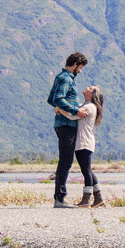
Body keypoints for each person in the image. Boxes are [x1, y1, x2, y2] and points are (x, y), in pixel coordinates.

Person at [47, 52, 88, 208]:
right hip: (66, 124)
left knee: (65, 160)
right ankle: (60, 198)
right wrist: (75, 111)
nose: (81, 71)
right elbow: (58, 98)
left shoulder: (61, 77)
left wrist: (58, 108)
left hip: (62, 123)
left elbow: (51, 99)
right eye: (81, 67)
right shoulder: (65, 78)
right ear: (76, 64)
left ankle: (60, 197)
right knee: (65, 161)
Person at [57, 86, 104, 207]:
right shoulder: (84, 105)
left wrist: (59, 109)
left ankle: (86, 200)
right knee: (87, 169)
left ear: (92, 94)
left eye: (90, 88)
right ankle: (98, 198)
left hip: (84, 142)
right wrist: (62, 108)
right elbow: (72, 109)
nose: (87, 88)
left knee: (86, 170)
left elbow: (73, 116)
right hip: (83, 142)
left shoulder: (89, 107)